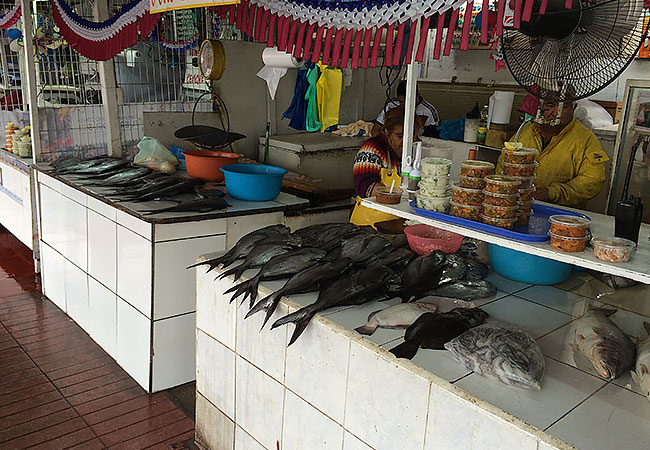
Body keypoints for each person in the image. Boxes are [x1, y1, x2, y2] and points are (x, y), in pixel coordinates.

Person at [497, 98, 609, 208]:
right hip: (518, 207)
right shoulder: (525, 132)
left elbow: (592, 181)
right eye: (550, 105)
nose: (556, 113)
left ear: (573, 108)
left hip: (562, 214)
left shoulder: (586, 139)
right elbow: (503, 165)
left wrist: (552, 193)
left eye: (563, 107)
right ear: (541, 107)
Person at [350, 105, 415, 227]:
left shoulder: (417, 151)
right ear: (387, 133)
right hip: (370, 224)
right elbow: (364, 186)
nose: (406, 141)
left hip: (403, 223)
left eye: (412, 135)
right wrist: (399, 195)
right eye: (400, 136)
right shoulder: (372, 148)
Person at [371, 80, 439, 138]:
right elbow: (376, 129)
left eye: (409, 102)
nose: (406, 105)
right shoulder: (391, 105)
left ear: (418, 95)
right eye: (402, 102)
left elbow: (432, 138)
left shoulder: (428, 111)